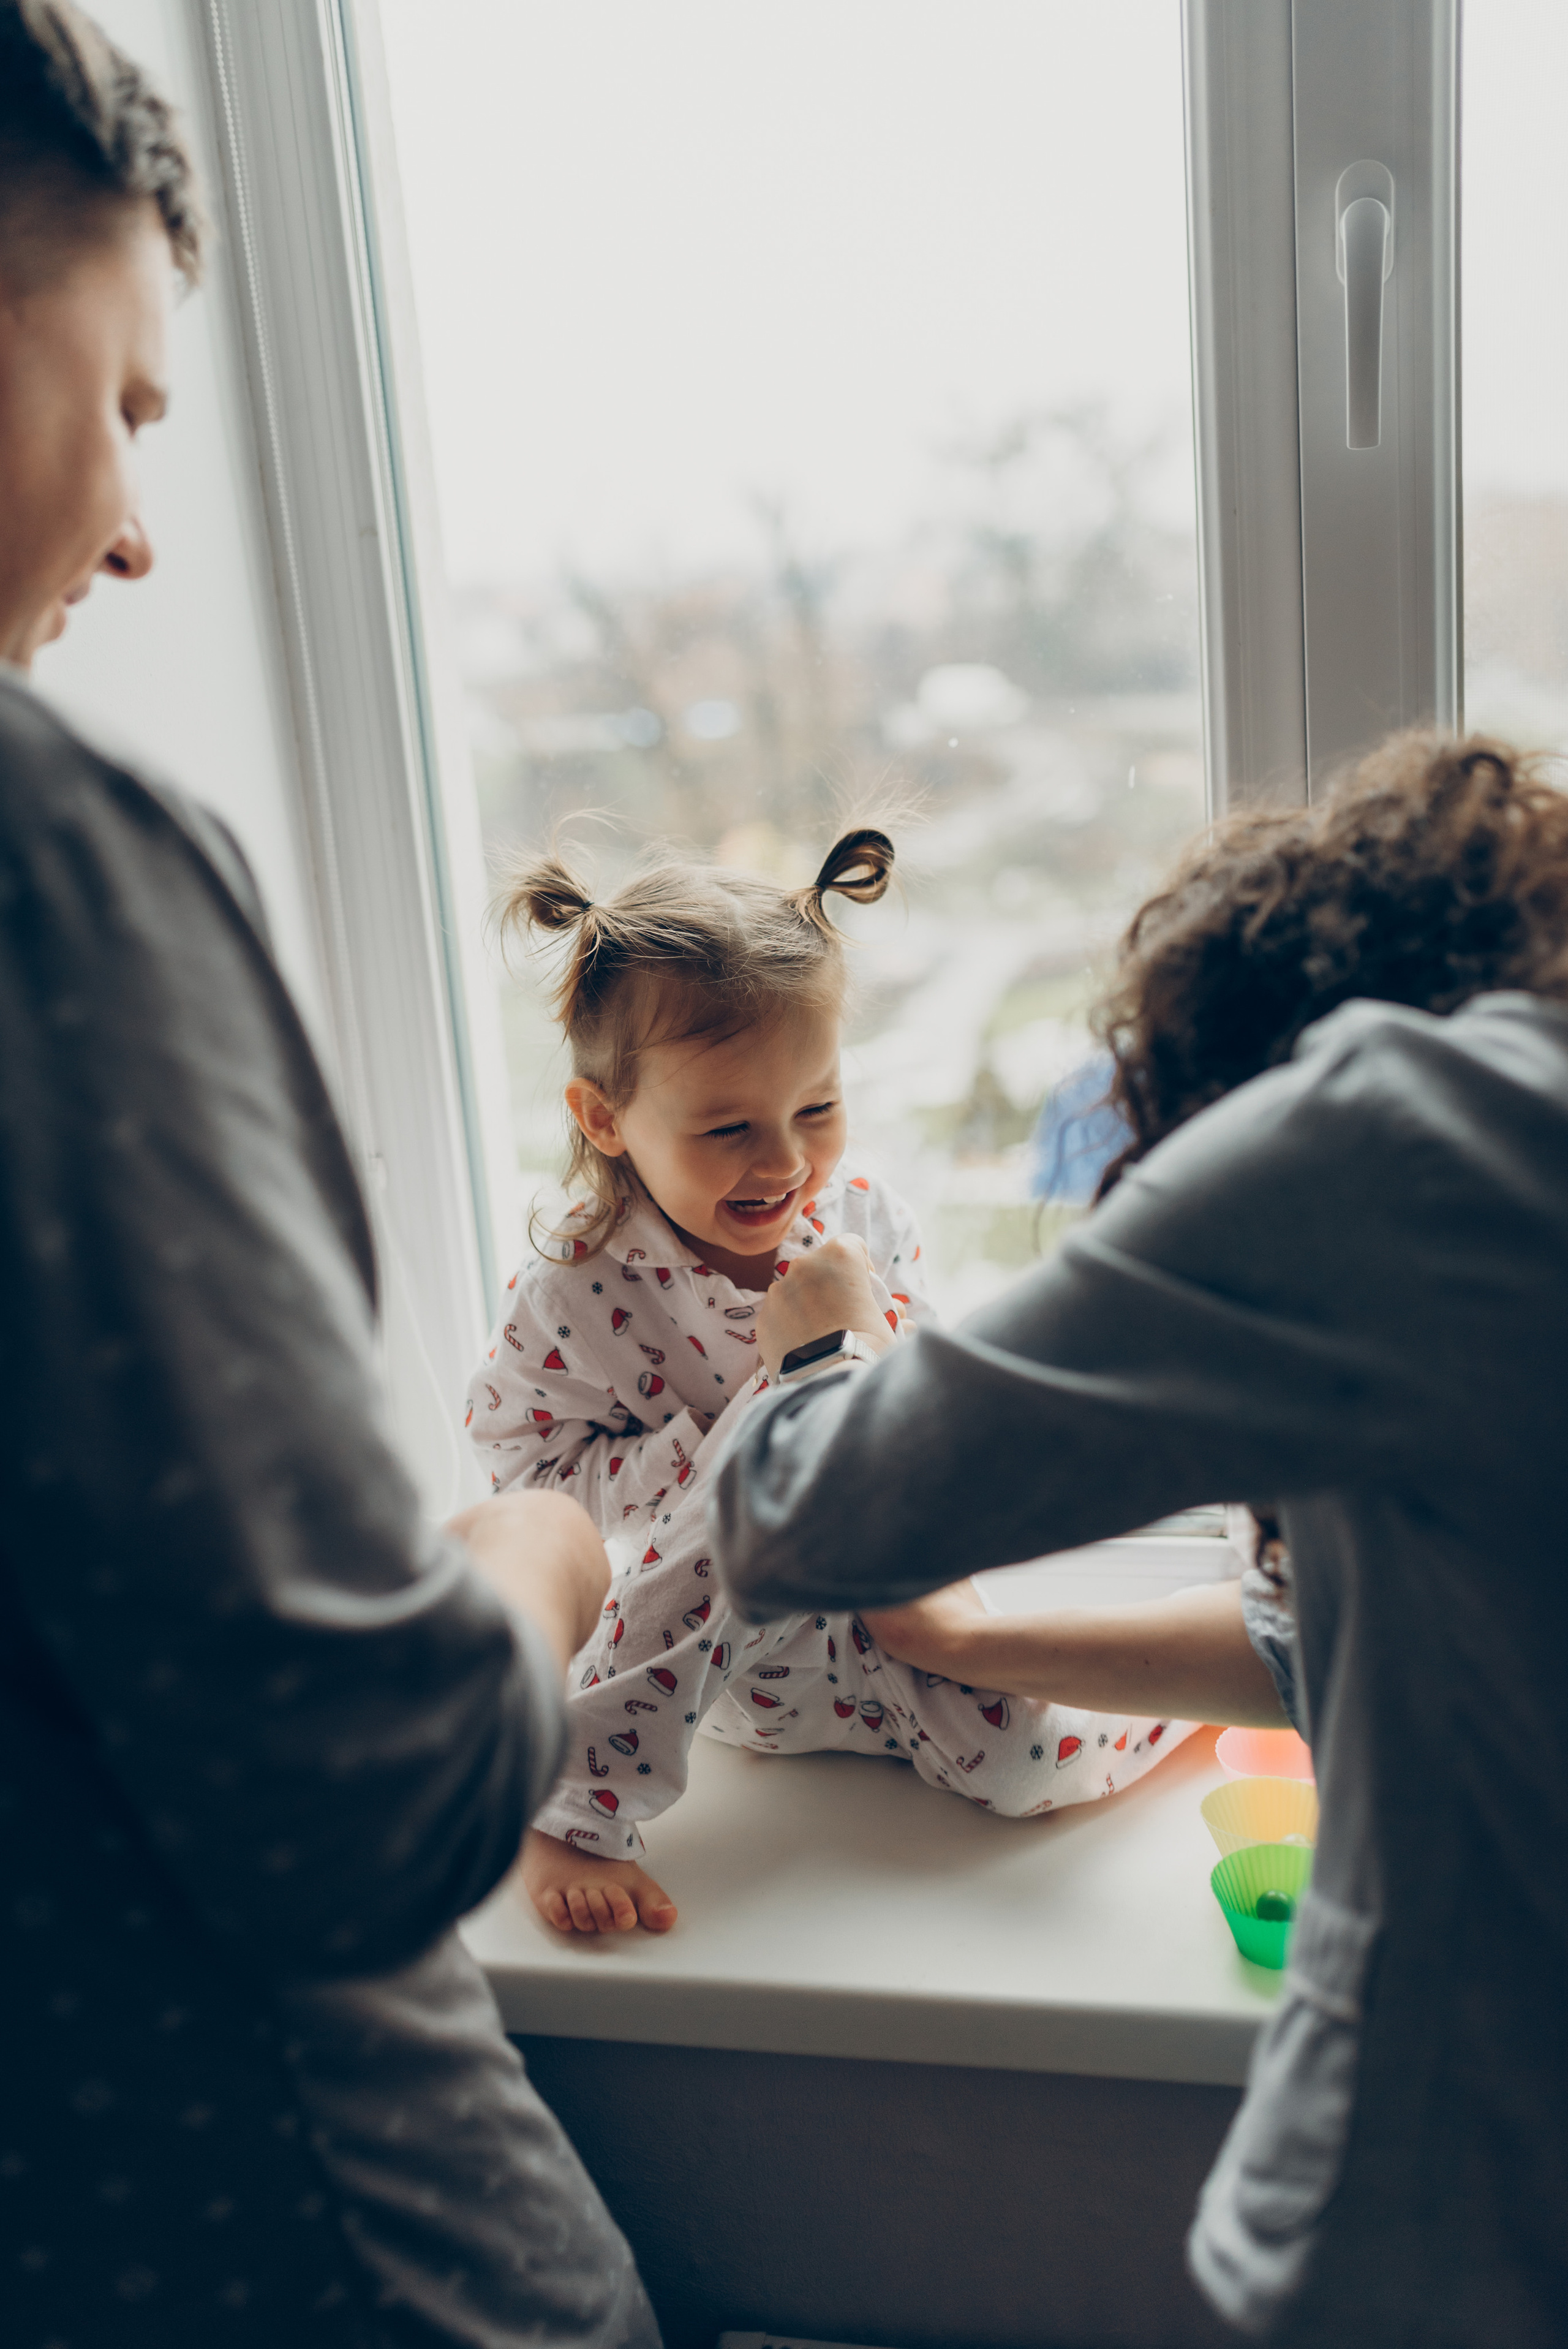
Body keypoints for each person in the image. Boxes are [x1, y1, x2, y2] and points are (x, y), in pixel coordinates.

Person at [0, 7, 657, 2343]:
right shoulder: (45, 860)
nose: (142, 523)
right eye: (127, 402)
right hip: (285, 2248)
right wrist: (541, 1557)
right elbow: (352, 1794)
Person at [712, 733, 1568, 2349]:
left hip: (1450, 2239)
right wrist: (968, 1641)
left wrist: (819, 1349)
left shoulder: (1392, 1134)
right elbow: (1389, 1644)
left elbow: (792, 1516)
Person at [471, 836, 1196, 1936]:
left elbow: (925, 1415)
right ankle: (570, 1803)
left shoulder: (861, 1216)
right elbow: (524, 1479)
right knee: (779, 1438)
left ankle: (1200, 1692)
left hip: (883, 1621)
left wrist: (858, 1382)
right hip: (706, 1670)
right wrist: (718, 1441)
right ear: (604, 1119)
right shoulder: (574, 1284)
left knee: (1024, 1767)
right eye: (728, 1129)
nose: (786, 1162)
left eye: (818, 1108)